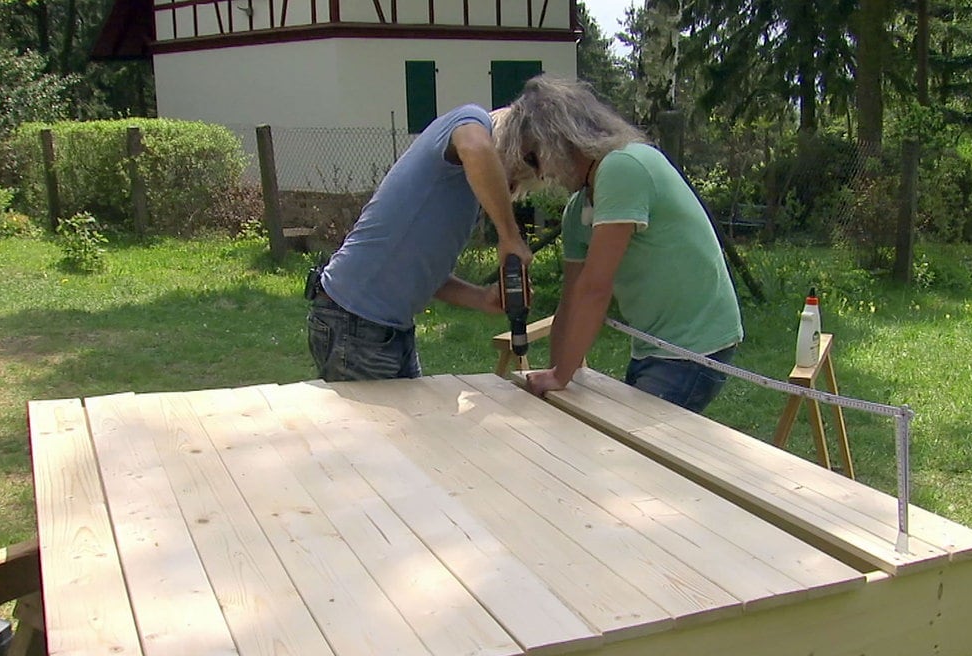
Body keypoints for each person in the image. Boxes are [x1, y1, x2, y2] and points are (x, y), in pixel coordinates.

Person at [498, 75, 743, 413]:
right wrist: (556, 384)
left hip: (693, 347)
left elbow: (596, 288)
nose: (540, 175)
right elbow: (570, 301)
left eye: (534, 159)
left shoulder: (623, 167)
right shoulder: (578, 209)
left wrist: (562, 375)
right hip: (651, 346)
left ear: (559, 139)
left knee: (640, 455)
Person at [307, 104, 532, 381]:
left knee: (414, 421)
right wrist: (510, 237)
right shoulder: (471, 120)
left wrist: (481, 298)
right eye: (521, 166)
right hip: (354, 321)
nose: (511, 184)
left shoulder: (462, 194)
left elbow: (424, 271)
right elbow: (475, 146)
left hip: (388, 329)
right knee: (377, 426)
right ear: (509, 141)